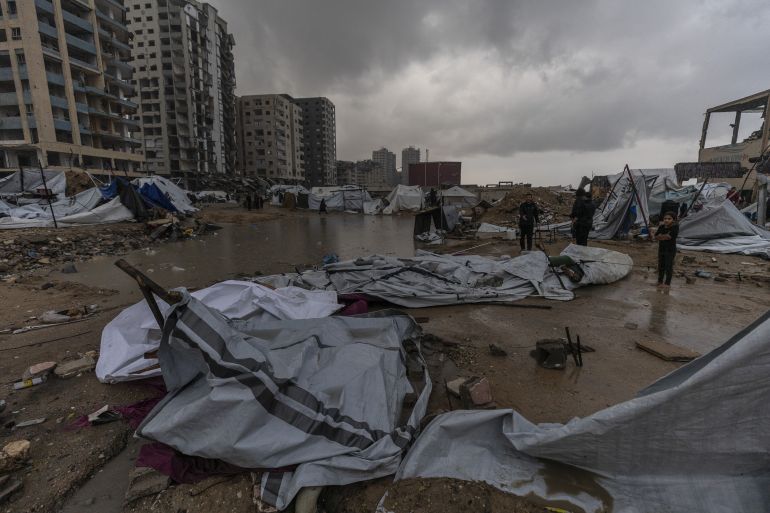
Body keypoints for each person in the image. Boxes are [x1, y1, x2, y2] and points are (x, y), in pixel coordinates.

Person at [654, 211, 679, 289]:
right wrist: (663, 236)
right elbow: (656, 236)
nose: (666, 220)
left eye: (669, 219)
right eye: (665, 218)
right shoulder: (661, 227)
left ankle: (667, 283)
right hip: (661, 249)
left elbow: (670, 237)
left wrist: (661, 236)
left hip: (670, 250)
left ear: (673, 220)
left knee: (668, 266)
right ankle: (660, 281)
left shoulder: (675, 227)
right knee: (661, 265)